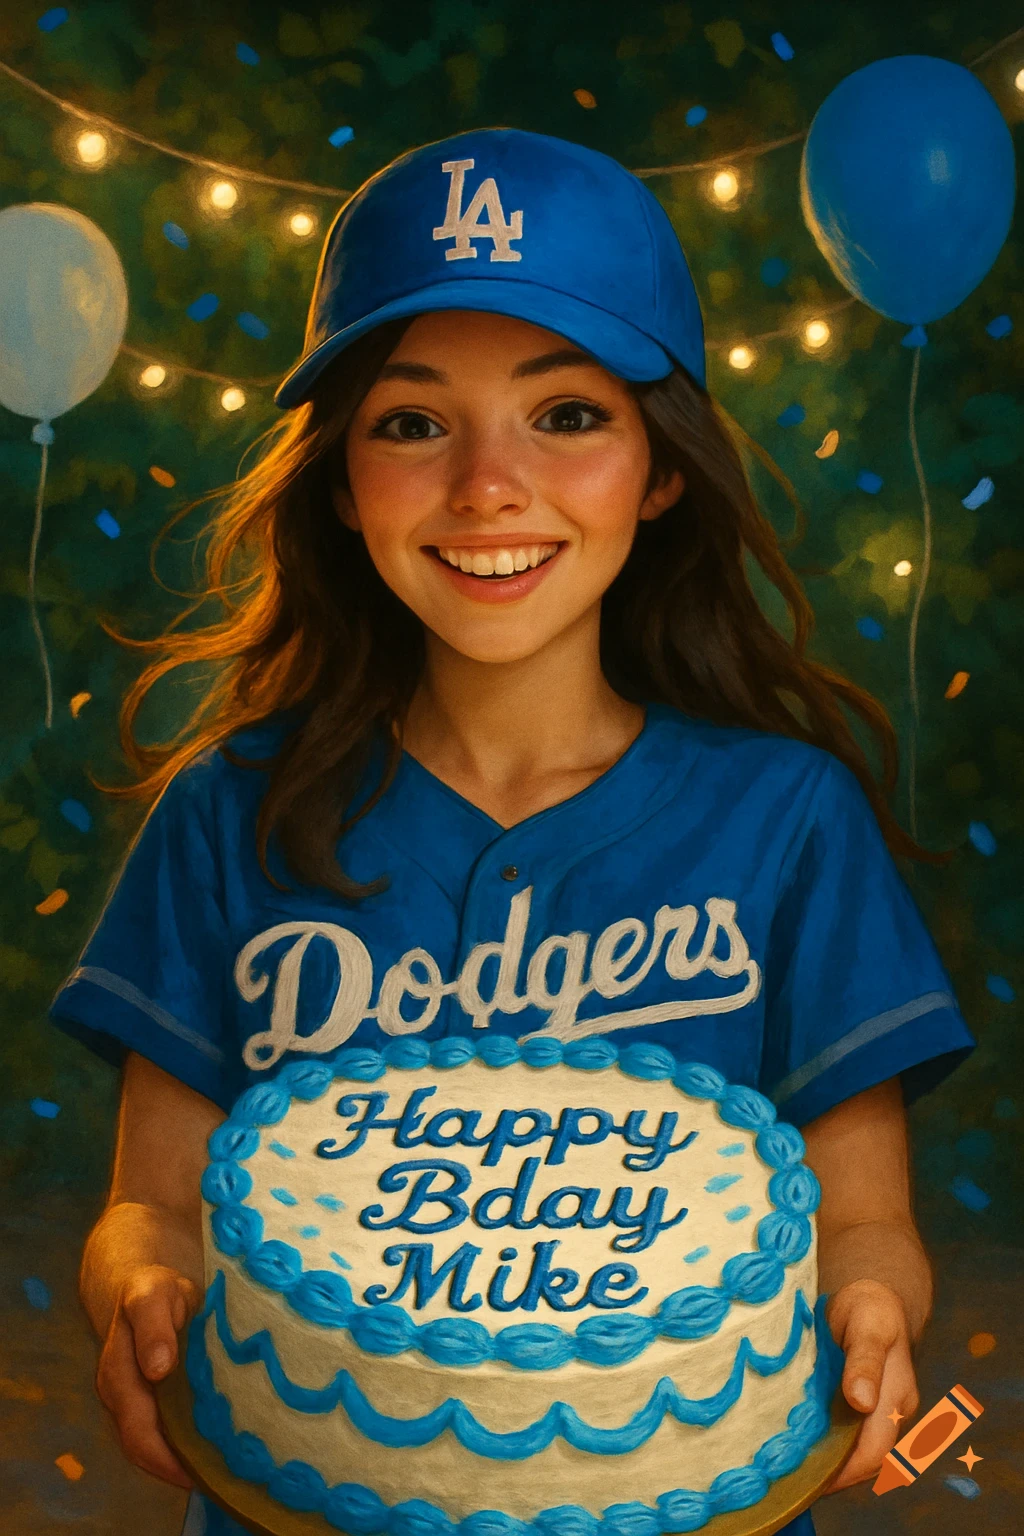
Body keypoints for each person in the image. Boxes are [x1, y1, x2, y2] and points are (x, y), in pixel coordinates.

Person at [50, 128, 976, 1536]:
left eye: (567, 415)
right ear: (343, 479)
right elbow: (152, 1208)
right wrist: (143, 1288)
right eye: (413, 422)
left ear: (660, 468)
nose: (488, 486)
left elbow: (862, 1226)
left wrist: (867, 1304)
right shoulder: (230, 810)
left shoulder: (785, 817)